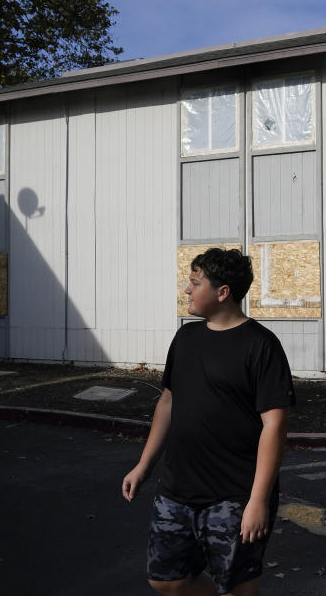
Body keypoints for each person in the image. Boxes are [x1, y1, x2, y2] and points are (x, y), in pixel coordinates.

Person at [122, 248, 295, 596]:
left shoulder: (262, 346)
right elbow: (168, 401)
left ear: (222, 292)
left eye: (195, 283)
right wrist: (144, 464)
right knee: (166, 579)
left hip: (234, 494)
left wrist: (258, 500)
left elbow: (274, 427)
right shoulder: (186, 338)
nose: (187, 290)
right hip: (176, 489)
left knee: (235, 584)